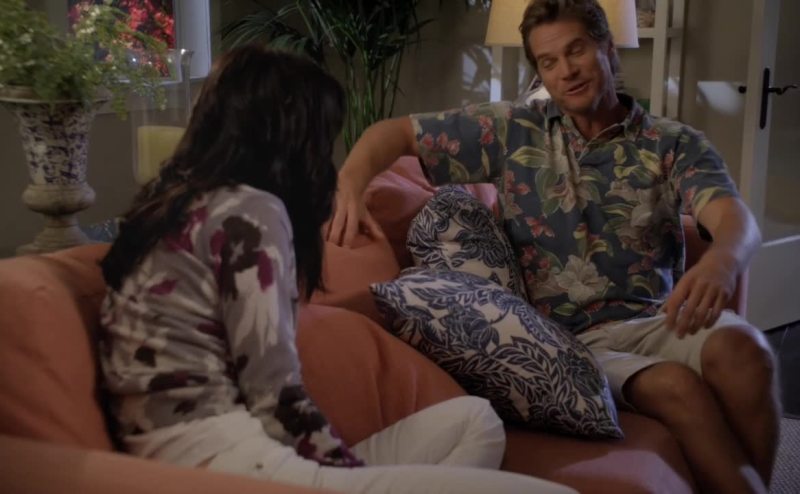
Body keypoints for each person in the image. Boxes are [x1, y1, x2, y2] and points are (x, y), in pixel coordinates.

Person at [326, 1, 781, 493]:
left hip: (660, 319)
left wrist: (722, 261)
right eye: (549, 61)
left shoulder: (671, 142)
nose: (566, 71)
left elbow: (733, 217)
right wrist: (349, 182)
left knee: (747, 353)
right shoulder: (512, 130)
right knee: (677, 388)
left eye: (576, 50)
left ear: (607, 49)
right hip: (570, 344)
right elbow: (392, 134)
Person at [98, 45, 574, 494]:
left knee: (475, 420)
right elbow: (275, 398)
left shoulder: (174, 204)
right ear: (287, 136)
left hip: (225, 449)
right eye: (322, 135)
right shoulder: (249, 212)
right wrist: (346, 476)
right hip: (226, 460)